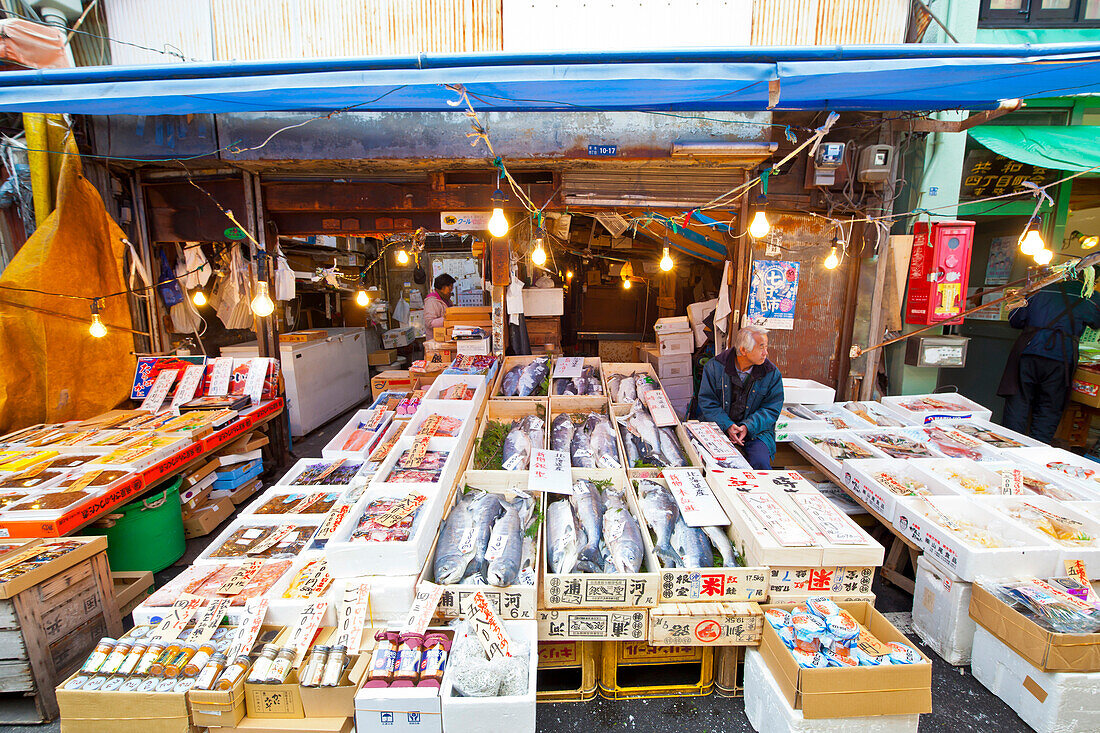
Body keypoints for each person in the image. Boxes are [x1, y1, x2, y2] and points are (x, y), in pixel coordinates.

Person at [998, 278, 1100, 443]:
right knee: (1049, 408)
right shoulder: (1090, 296)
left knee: (1018, 401)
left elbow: (1015, 319)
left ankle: (1007, 447)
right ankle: (1037, 454)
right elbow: (1096, 322)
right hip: (1061, 357)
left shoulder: (1039, 289)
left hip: (1029, 351)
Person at [697, 324, 784, 469]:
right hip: (718, 427)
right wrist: (728, 425)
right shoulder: (714, 367)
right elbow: (707, 402)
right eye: (761, 347)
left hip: (757, 431)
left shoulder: (771, 373)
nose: (766, 353)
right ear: (743, 350)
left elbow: (771, 409)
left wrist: (747, 426)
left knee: (760, 463)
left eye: (766, 347)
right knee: (711, 465)